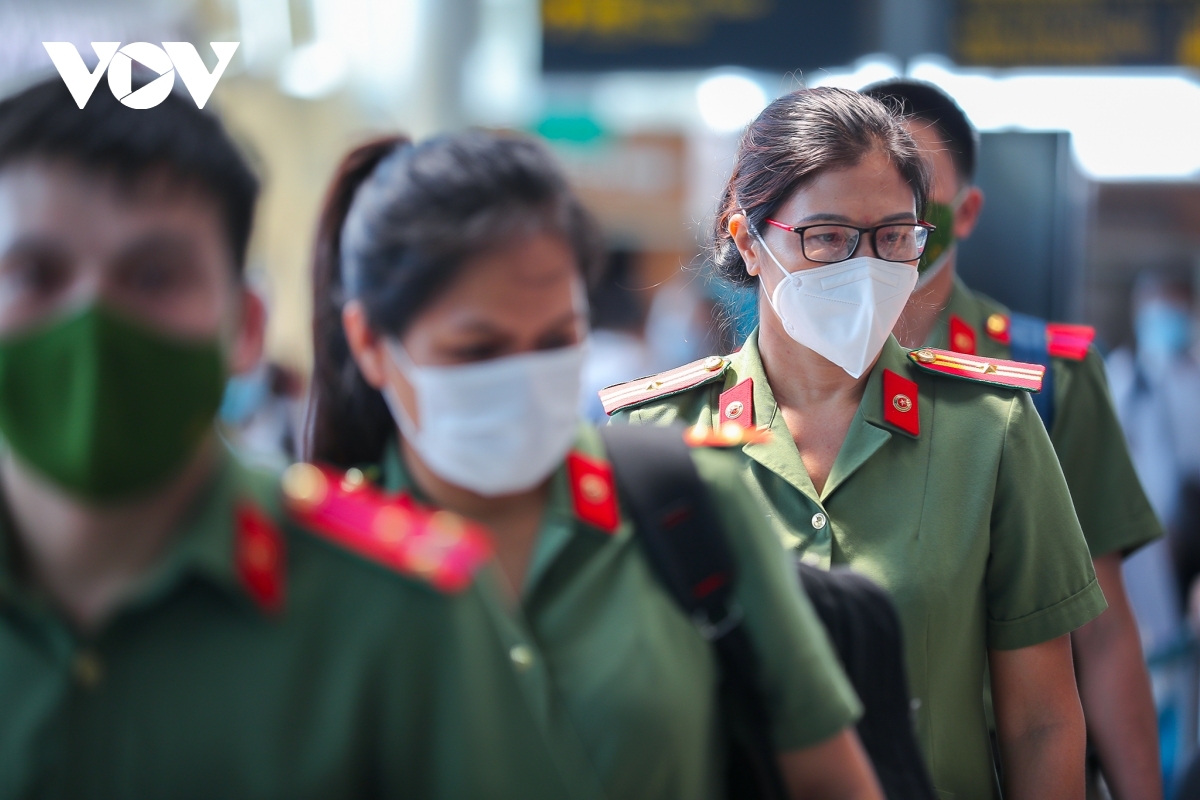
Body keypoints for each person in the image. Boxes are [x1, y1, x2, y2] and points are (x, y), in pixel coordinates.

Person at [0, 79, 587, 799]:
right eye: (34, 274)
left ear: (245, 327)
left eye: (154, 276)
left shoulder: (404, 618)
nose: (92, 325)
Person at [307, 129, 883, 800]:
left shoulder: (689, 506)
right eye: (477, 350)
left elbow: (830, 779)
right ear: (371, 344)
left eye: (556, 340)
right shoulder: (324, 564)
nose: (521, 378)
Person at [603, 87, 1105, 800]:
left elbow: (1043, 719)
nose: (866, 268)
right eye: (829, 237)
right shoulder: (655, 442)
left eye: (895, 236)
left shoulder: (989, 428)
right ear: (748, 238)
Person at [862, 79, 1164, 800]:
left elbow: (1103, 629)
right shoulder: (788, 375)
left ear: (964, 213)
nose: (892, 219)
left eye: (918, 193)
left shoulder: (1041, 377)